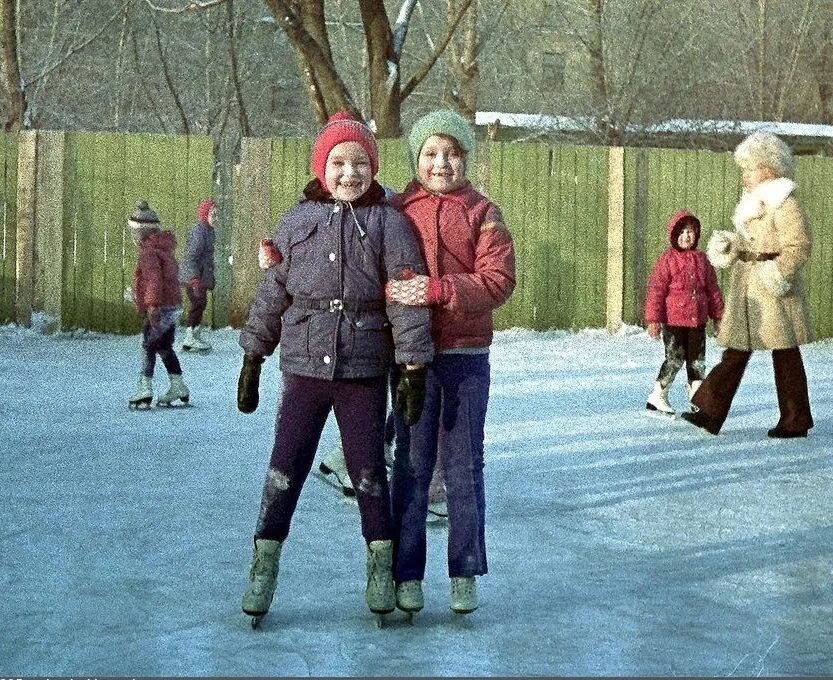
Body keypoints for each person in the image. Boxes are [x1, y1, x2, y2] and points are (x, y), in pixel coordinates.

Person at [235, 112, 434, 625]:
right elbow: (273, 290)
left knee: (368, 472)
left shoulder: (390, 223)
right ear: (322, 168)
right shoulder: (297, 220)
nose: (350, 173)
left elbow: (405, 298)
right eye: (339, 163)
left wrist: (412, 364)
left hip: (363, 368)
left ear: (374, 166)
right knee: (286, 467)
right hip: (302, 366)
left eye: (360, 162)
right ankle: (263, 566)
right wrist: (254, 354)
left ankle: (379, 567)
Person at [386, 110, 516, 616]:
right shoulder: (398, 209)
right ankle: (406, 573)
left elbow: (498, 281)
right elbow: (374, 267)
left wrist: (439, 290)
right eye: (431, 154)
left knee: (463, 468)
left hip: (465, 358)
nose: (441, 163)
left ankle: (464, 571)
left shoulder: (483, 211)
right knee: (413, 466)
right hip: (413, 360)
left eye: (452, 153)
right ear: (416, 159)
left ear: (466, 157)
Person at [681, 132, 813, 437]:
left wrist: (778, 275)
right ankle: (710, 412)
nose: (745, 174)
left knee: (785, 353)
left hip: (774, 290)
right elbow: (751, 240)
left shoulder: (784, 202)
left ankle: (795, 420)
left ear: (768, 168)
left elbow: (799, 246)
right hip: (749, 286)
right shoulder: (752, 202)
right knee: (737, 350)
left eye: (749, 168)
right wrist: (732, 246)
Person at [644, 210, 724, 415]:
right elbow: (656, 291)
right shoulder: (667, 260)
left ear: (696, 234)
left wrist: (719, 317)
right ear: (674, 235)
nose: (686, 236)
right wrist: (653, 319)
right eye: (681, 232)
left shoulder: (703, 260)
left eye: (690, 231)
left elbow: (713, 290)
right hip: (674, 321)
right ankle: (658, 395)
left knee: (697, 361)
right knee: (675, 358)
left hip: (697, 321)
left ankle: (697, 400)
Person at [126, 200, 190, 409]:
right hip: (172, 305)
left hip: (160, 307)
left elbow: (153, 279)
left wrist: (152, 305)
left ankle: (145, 388)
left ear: (140, 233)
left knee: (148, 346)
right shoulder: (164, 249)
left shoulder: (149, 253)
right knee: (163, 346)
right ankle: (178, 385)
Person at [180, 198, 217, 353]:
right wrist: (194, 279)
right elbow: (190, 257)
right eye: (213, 214)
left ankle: (194, 334)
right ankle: (189, 336)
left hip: (200, 277)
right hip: (194, 277)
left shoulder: (209, 231)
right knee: (197, 304)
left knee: (201, 304)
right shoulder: (199, 232)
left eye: (217, 215)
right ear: (204, 215)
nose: (216, 218)